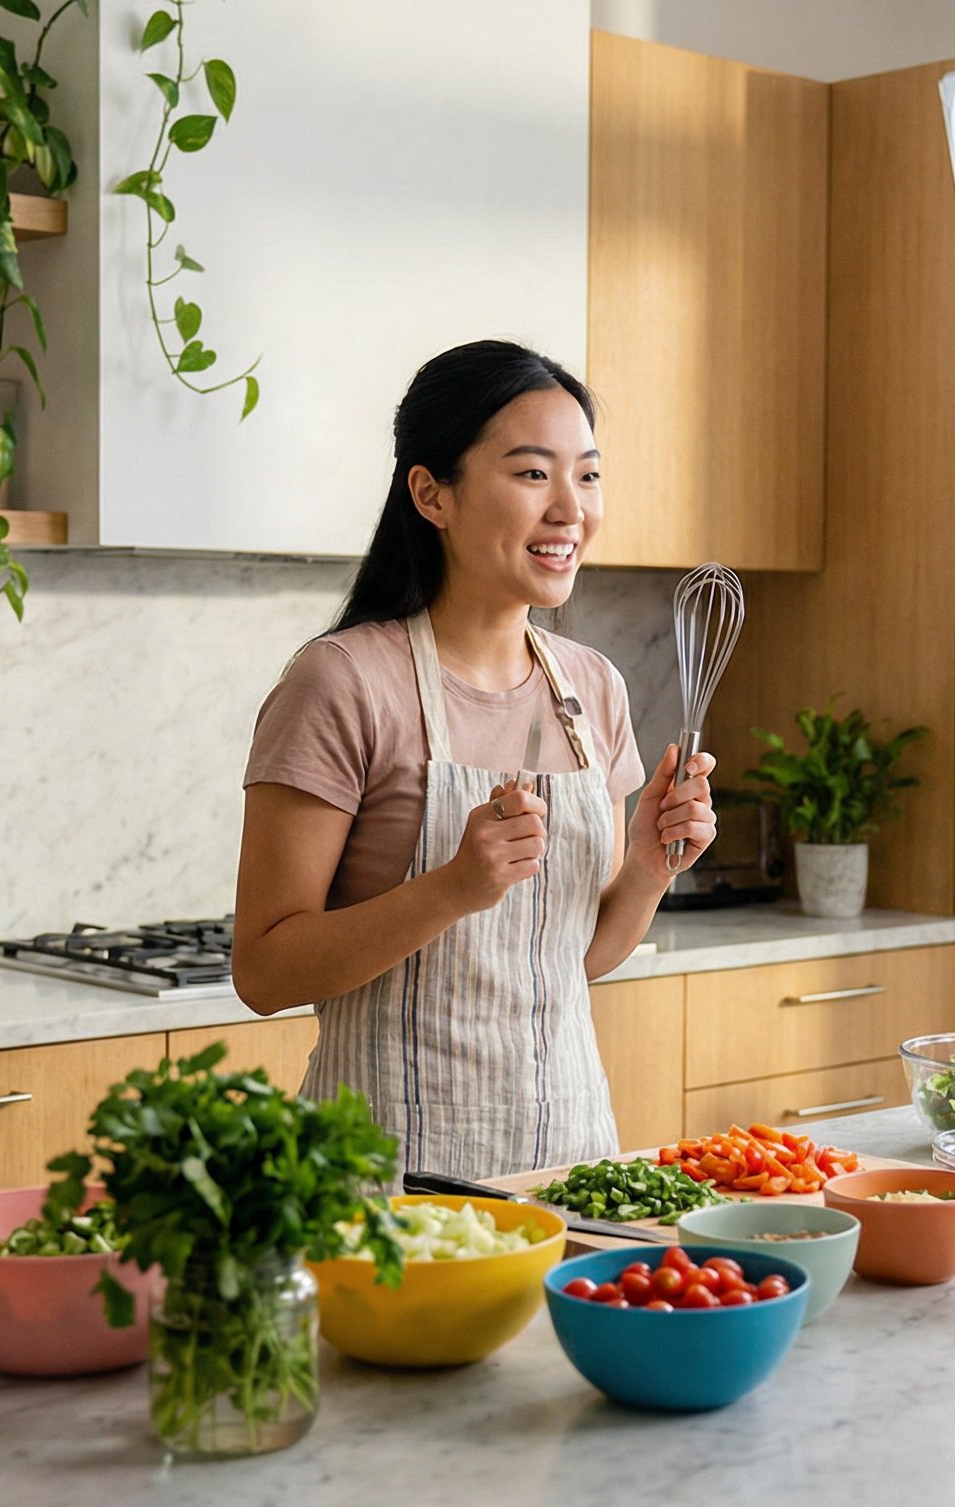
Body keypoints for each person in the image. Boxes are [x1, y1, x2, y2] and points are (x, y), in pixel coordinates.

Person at [232, 341, 718, 1179]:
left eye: (588, 475)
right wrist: (454, 888)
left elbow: (574, 964)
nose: (571, 509)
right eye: (533, 474)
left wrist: (645, 870)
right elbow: (265, 971)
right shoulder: (344, 682)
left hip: (569, 1170)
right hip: (386, 1185)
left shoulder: (592, 690)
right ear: (432, 494)